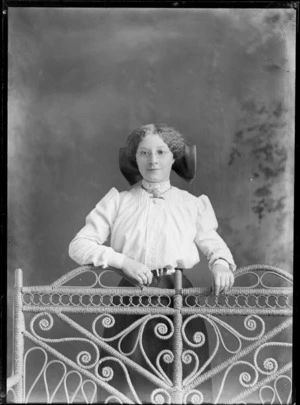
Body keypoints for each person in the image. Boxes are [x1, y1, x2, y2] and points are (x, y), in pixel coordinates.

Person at [69, 123, 236, 403]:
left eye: (161, 152)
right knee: (126, 382)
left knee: (181, 380)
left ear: (175, 157)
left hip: (179, 298)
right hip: (131, 299)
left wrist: (220, 263)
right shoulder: (118, 202)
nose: (153, 160)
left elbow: (212, 242)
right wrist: (123, 262)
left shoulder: (191, 204)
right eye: (144, 153)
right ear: (135, 158)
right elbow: (79, 245)